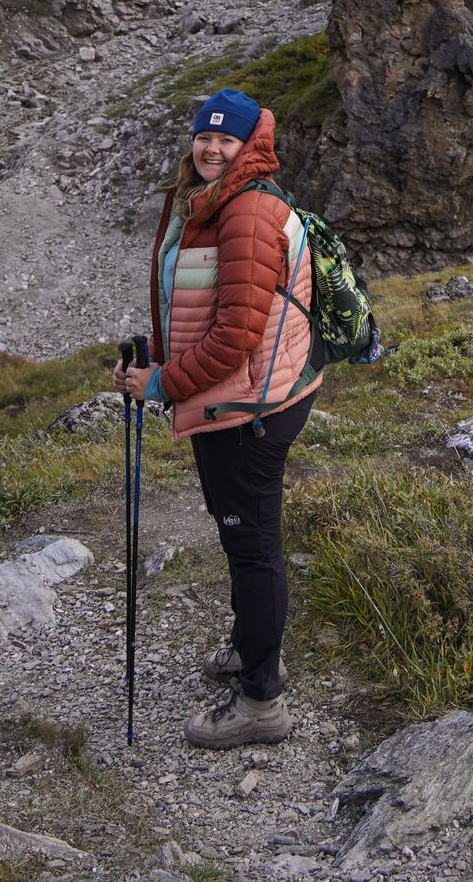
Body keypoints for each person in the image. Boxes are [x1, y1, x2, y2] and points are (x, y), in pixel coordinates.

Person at [113, 86, 323, 747]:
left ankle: (262, 702)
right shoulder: (211, 203)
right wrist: (161, 356)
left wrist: (160, 383)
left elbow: (235, 338)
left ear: (248, 146)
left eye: (225, 139)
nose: (210, 147)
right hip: (237, 394)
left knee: (252, 546)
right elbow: (213, 308)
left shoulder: (248, 212)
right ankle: (249, 646)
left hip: (250, 405)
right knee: (242, 539)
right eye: (204, 136)